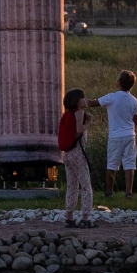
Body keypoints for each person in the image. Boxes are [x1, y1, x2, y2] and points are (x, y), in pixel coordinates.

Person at [97, 70, 137, 199]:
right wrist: (132, 131)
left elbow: (94, 103)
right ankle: (129, 192)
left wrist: (81, 100)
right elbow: (135, 121)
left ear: (119, 82)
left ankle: (109, 192)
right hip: (130, 135)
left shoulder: (111, 97)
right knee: (129, 164)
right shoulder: (133, 100)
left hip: (115, 136)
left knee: (112, 163)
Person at [58, 88, 94, 229]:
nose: (85, 100)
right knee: (86, 186)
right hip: (78, 154)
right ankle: (85, 218)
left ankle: (69, 217)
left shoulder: (67, 114)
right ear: (77, 101)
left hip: (67, 155)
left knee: (72, 186)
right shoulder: (79, 113)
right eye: (83, 98)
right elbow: (79, 130)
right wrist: (89, 121)